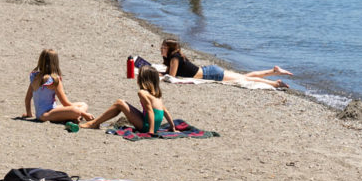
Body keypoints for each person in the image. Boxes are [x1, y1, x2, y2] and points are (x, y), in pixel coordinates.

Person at [160, 38, 291, 89]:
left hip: (212, 74)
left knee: (244, 78)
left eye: (164, 47)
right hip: (209, 71)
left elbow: (172, 77)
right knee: (244, 76)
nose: (161, 49)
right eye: (162, 47)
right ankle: (273, 71)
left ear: (170, 48)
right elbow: (170, 73)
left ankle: (275, 83)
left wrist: (159, 76)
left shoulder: (174, 58)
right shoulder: (174, 57)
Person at [80, 66, 175, 133]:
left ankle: (94, 123)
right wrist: (172, 127)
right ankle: (95, 123)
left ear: (142, 79)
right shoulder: (157, 95)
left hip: (147, 126)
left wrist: (150, 131)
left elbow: (150, 111)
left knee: (119, 103)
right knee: (121, 103)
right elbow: (165, 111)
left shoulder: (142, 93)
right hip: (154, 125)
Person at [23, 49, 94, 123]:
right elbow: (65, 103)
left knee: (82, 105)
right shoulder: (54, 79)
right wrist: (84, 114)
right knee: (76, 110)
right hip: (47, 114)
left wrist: (29, 114)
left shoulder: (35, 77)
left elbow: (27, 99)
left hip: (42, 113)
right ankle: (76, 116)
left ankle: (74, 117)